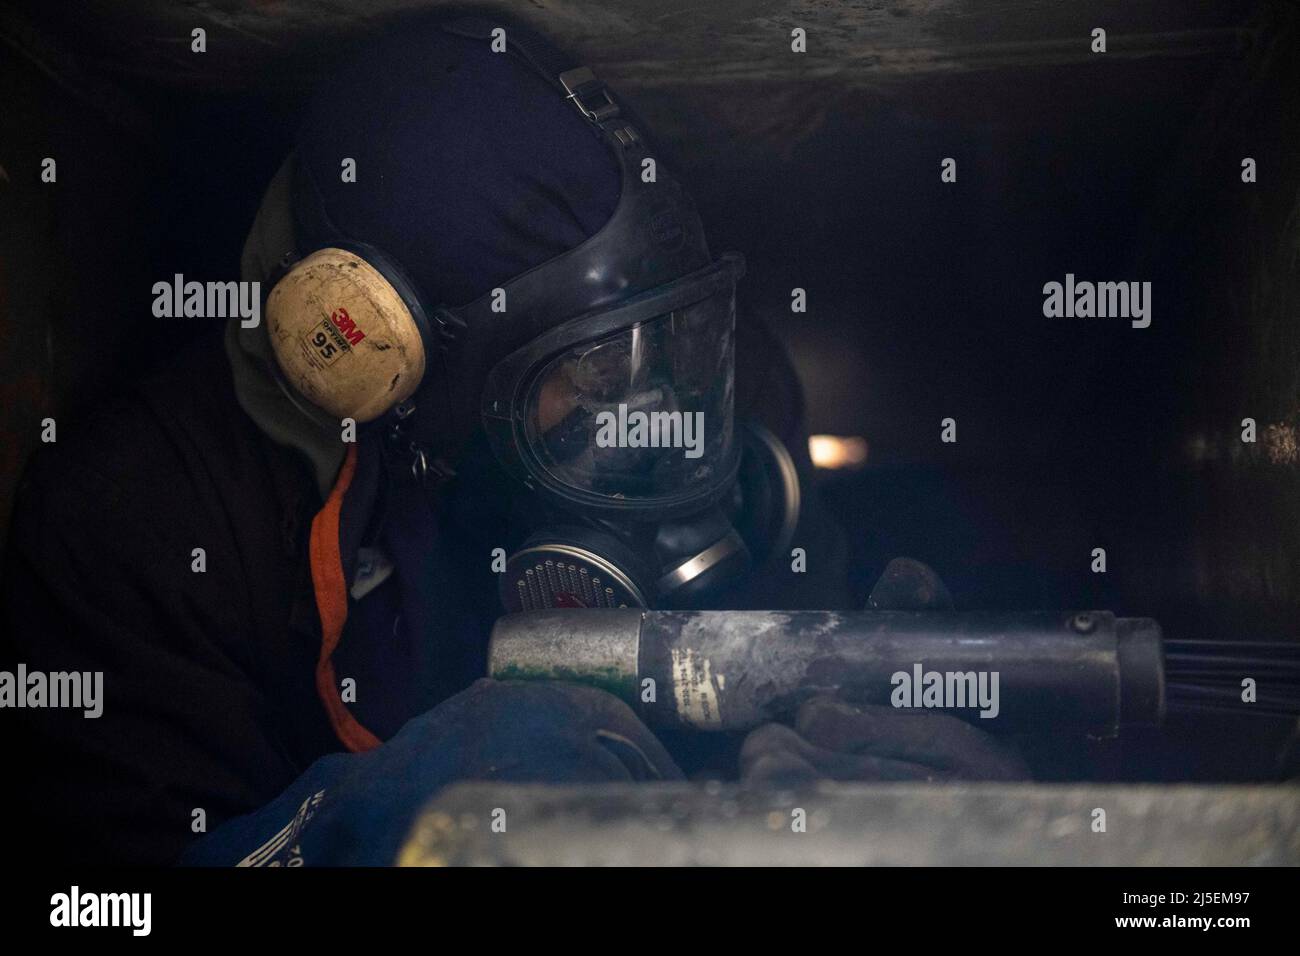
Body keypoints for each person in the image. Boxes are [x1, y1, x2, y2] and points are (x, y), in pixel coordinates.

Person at [0, 17, 1019, 867]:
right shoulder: (141, 523)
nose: (656, 407)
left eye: (674, 337)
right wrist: (358, 827)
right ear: (389, 365)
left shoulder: (730, 401)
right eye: (592, 372)